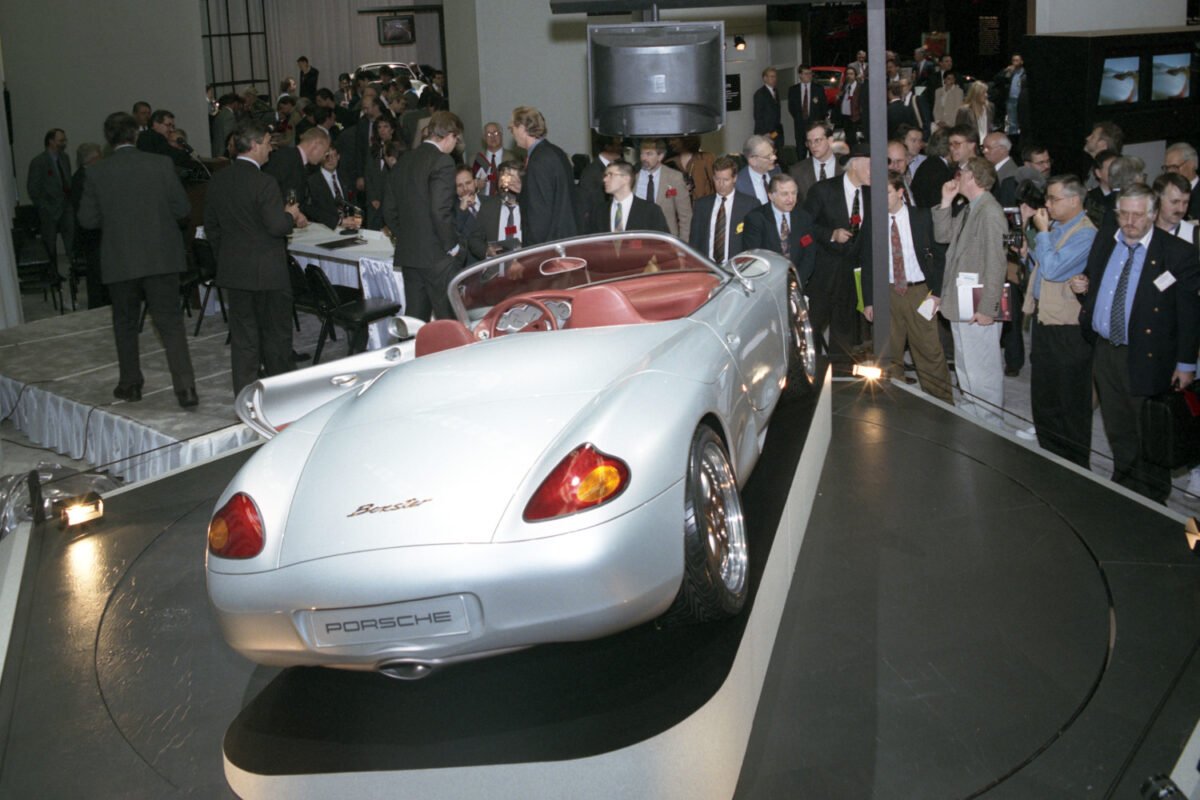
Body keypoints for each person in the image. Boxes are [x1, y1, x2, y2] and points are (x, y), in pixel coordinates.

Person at [1077, 183, 1200, 502]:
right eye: (1124, 214)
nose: (1130, 221)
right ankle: (1124, 484)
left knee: (1149, 431)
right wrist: (1084, 296)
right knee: (1117, 426)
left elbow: (1189, 313)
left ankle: (1152, 498)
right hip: (1106, 350)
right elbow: (1095, 282)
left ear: (1153, 213)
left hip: (1150, 355)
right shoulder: (1106, 240)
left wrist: (1186, 364)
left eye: (1137, 215)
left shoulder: (1177, 253)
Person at [76, 111, 198, 407]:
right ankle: (186, 389)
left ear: (109, 139)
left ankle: (130, 385)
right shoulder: (161, 163)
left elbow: (87, 220)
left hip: (121, 259)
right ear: (135, 135)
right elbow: (182, 209)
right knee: (170, 323)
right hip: (161, 257)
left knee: (125, 324)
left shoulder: (96, 172)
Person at [204, 121, 308, 395]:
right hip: (268, 273)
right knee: (276, 337)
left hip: (234, 270)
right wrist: (290, 214)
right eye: (266, 143)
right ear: (253, 146)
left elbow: (212, 228)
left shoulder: (218, 179)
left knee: (244, 340)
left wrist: (225, 256)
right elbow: (276, 227)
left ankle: (245, 401)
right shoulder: (264, 182)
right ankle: (279, 397)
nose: (270, 150)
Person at [1020, 174, 1097, 465]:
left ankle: (1076, 467)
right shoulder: (1058, 228)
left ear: (1075, 200)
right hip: (1045, 320)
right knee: (1045, 397)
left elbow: (1053, 269)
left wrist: (1041, 232)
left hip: (1068, 330)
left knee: (1070, 402)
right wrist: (1029, 253)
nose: (1047, 204)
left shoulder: (1085, 234)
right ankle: (1051, 458)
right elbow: (1042, 268)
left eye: (1053, 198)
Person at [861, 170, 952, 403]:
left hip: (919, 291)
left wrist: (938, 293)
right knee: (888, 352)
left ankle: (942, 404)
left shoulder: (922, 217)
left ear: (900, 192)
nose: (881, 198)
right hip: (886, 293)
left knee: (929, 351)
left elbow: (941, 257)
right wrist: (869, 299)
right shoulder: (872, 222)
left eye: (887, 192)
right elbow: (868, 262)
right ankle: (895, 403)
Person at [933, 156, 1008, 424]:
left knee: (983, 365)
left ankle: (989, 417)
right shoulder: (969, 208)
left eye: (960, 173)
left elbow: (997, 264)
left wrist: (988, 308)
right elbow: (943, 236)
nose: (956, 177)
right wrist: (945, 202)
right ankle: (973, 407)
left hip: (979, 301)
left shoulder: (990, 212)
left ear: (973, 177)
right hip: (962, 297)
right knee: (966, 360)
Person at [382, 110, 465, 320]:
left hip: (411, 253)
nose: (456, 144)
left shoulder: (404, 160)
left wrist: (407, 235)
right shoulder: (443, 161)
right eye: (456, 139)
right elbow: (440, 211)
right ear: (449, 135)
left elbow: (388, 210)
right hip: (438, 255)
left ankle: (418, 354)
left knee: (416, 321)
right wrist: (452, 246)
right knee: (449, 322)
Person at [804, 145, 872, 361]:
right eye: (871, 165)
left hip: (852, 276)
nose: (876, 171)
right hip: (823, 274)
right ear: (854, 164)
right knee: (812, 327)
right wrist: (831, 234)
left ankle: (840, 379)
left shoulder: (873, 194)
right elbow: (805, 227)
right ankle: (808, 373)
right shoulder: (823, 190)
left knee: (844, 332)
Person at [510, 106, 577, 245]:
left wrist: (532, 254)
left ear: (522, 128)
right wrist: (523, 190)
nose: (512, 133)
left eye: (513, 128)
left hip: (548, 248)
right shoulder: (555, 151)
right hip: (564, 240)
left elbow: (539, 215)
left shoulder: (539, 160)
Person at [742, 174, 817, 284]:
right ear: (771, 196)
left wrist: (796, 280)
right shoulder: (756, 218)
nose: (791, 199)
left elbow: (809, 254)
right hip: (767, 283)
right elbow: (754, 257)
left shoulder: (804, 217)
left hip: (797, 281)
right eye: (784, 194)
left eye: (794, 193)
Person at [689, 156, 758, 262]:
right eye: (717, 179)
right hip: (708, 267)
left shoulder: (749, 205)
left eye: (726, 180)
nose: (721, 185)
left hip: (737, 267)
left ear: (734, 178)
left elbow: (754, 243)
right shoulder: (702, 205)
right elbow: (694, 241)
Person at [26, 127, 74, 267]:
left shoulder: (65, 158)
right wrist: (44, 206)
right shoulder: (39, 162)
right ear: (51, 141)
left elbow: (67, 180)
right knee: (50, 243)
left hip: (66, 205)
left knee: (71, 239)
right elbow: (33, 189)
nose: (64, 143)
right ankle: (53, 274)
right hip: (49, 209)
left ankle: (73, 270)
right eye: (61, 140)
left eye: (64, 140)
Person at [637, 139, 691, 241]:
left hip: (666, 239)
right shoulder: (633, 178)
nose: (644, 158)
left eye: (649, 154)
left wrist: (683, 246)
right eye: (642, 154)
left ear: (660, 156)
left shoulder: (674, 178)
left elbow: (685, 217)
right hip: (639, 240)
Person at [263, 126, 330, 208]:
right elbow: (268, 192)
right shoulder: (285, 157)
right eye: (325, 152)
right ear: (315, 144)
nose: (324, 157)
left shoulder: (300, 163)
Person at [595, 160, 669, 234]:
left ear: (626, 178)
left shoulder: (651, 211)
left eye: (610, 175)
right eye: (605, 175)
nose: (605, 179)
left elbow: (663, 243)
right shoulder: (599, 212)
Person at [302, 145, 361, 231]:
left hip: (349, 229)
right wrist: (338, 221)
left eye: (334, 156)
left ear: (338, 157)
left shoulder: (346, 177)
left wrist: (356, 221)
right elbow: (311, 209)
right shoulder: (312, 181)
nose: (330, 159)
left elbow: (354, 203)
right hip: (323, 229)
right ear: (321, 157)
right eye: (327, 156)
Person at [789, 121, 841, 205]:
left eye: (817, 140)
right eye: (809, 142)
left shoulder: (845, 166)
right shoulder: (797, 171)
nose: (813, 145)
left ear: (830, 140)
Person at [787, 65, 829, 157]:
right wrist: (799, 118)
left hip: (814, 125)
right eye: (806, 74)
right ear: (800, 75)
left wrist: (818, 122)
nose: (809, 76)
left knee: (815, 150)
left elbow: (824, 107)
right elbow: (791, 108)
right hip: (800, 126)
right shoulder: (793, 90)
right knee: (801, 150)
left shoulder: (818, 89)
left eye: (810, 73)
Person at [667, 135, 716, 200]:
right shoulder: (669, 163)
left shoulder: (707, 158)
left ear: (685, 139)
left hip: (706, 207)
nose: (670, 143)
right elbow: (667, 195)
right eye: (669, 140)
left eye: (673, 139)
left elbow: (717, 185)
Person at [736, 134, 780, 205]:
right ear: (753, 161)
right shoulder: (739, 185)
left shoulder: (776, 171)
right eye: (768, 156)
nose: (774, 157)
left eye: (773, 153)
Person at [471, 122, 512, 197]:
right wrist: (475, 187)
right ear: (484, 138)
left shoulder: (512, 158)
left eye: (496, 133)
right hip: (482, 202)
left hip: (504, 201)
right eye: (489, 134)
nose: (493, 137)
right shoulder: (475, 159)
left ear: (501, 135)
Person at [1162, 141, 1200, 221]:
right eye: (1167, 168)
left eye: (1174, 167)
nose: (1170, 172)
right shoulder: (1163, 192)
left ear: (1191, 165)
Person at [753, 67, 783, 149]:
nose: (774, 79)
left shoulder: (776, 91)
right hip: (765, 132)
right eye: (771, 77)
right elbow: (758, 115)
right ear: (765, 78)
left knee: (777, 153)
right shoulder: (760, 94)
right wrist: (765, 133)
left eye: (775, 77)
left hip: (775, 131)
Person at [955, 81, 993, 145]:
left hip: (986, 146)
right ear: (976, 94)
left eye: (986, 92)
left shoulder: (989, 108)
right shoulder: (964, 111)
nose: (986, 95)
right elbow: (959, 131)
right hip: (971, 146)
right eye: (983, 93)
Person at [836, 66, 864, 144]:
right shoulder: (845, 86)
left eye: (851, 74)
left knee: (852, 137)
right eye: (848, 74)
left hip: (854, 116)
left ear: (855, 75)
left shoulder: (859, 87)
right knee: (848, 136)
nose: (849, 76)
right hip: (845, 116)